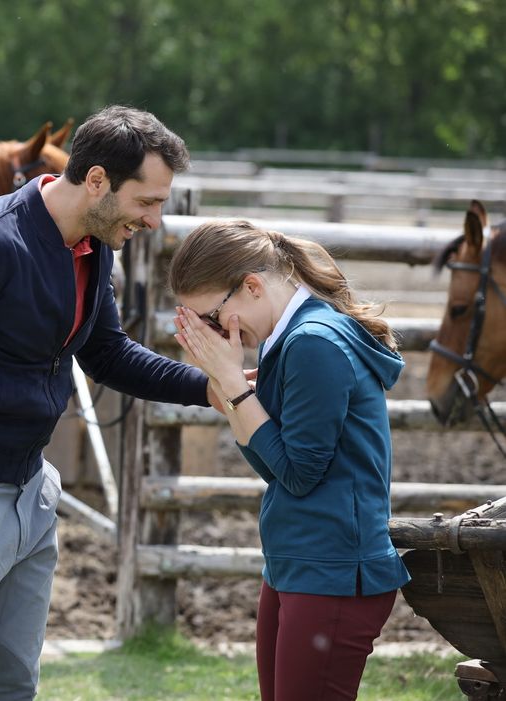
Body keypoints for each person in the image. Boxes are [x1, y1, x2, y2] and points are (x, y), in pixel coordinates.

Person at [0, 105, 220, 700]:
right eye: (147, 202)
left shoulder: (93, 247)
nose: (156, 221)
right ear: (96, 181)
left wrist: (214, 386)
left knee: (13, 684)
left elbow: (108, 354)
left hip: (31, 497)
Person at [168, 219, 411, 701]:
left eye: (212, 318)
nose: (214, 334)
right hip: (299, 565)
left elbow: (298, 475)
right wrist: (228, 386)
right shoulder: (289, 338)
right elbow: (272, 468)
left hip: (334, 571)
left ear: (252, 286)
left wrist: (234, 385)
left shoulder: (313, 342)